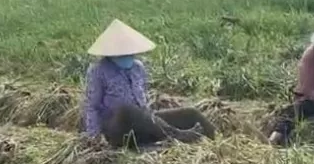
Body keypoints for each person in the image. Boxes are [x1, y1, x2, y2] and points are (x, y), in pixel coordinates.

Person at [82, 20, 216, 149]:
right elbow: (91, 106)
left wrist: (151, 120)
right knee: (127, 110)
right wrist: (94, 137)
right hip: (117, 129)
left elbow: (144, 103)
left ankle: (214, 138)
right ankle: (177, 135)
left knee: (190, 113)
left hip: (141, 123)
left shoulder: (138, 68)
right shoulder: (98, 71)